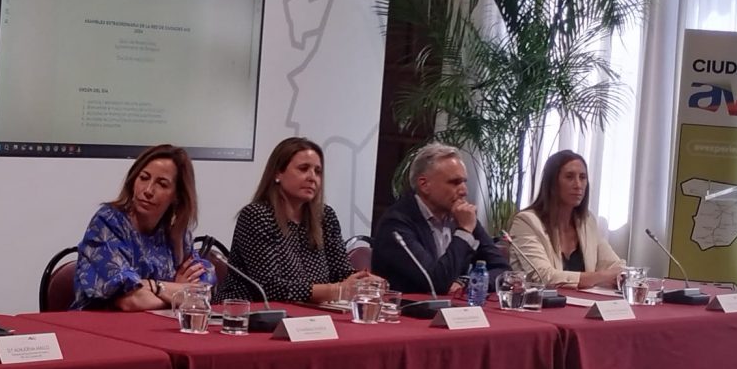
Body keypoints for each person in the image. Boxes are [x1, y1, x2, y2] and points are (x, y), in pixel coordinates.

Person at [215, 137, 374, 304]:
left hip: (310, 312)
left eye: (318, 171)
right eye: (303, 169)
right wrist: (336, 290)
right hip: (248, 311)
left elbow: (341, 273)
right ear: (278, 173)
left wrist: (362, 282)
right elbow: (268, 287)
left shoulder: (325, 216)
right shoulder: (256, 215)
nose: (312, 178)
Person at [71, 144, 216, 310]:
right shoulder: (108, 222)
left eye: (162, 184)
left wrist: (154, 286)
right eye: (144, 178)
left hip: (155, 323)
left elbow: (203, 290)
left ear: (177, 196)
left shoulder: (176, 231)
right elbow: (132, 301)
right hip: (96, 322)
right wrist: (175, 292)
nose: (148, 190)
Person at [372, 142, 508, 294]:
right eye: (454, 182)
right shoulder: (396, 224)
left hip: (453, 307)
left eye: (464, 182)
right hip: (407, 306)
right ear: (424, 185)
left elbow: (502, 271)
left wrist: (467, 282)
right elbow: (435, 283)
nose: (464, 191)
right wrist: (464, 232)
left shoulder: (461, 215)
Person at [509, 150, 624, 288]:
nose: (578, 185)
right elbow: (543, 277)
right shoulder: (526, 222)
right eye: (569, 177)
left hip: (583, 300)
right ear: (552, 183)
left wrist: (624, 275)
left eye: (583, 177)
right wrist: (600, 277)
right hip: (540, 301)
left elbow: (615, 266)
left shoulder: (587, 222)